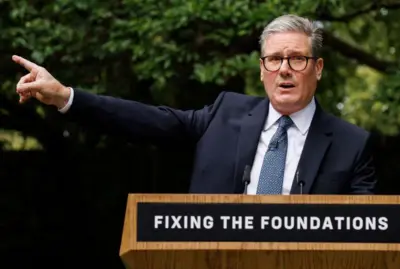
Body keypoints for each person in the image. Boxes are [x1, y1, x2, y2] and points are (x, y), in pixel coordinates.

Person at [12, 14, 376, 195]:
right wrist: (66, 97)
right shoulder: (223, 114)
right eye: (274, 59)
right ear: (261, 68)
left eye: (296, 59)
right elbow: (146, 120)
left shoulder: (352, 144)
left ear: (318, 68)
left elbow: (372, 240)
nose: (284, 70)